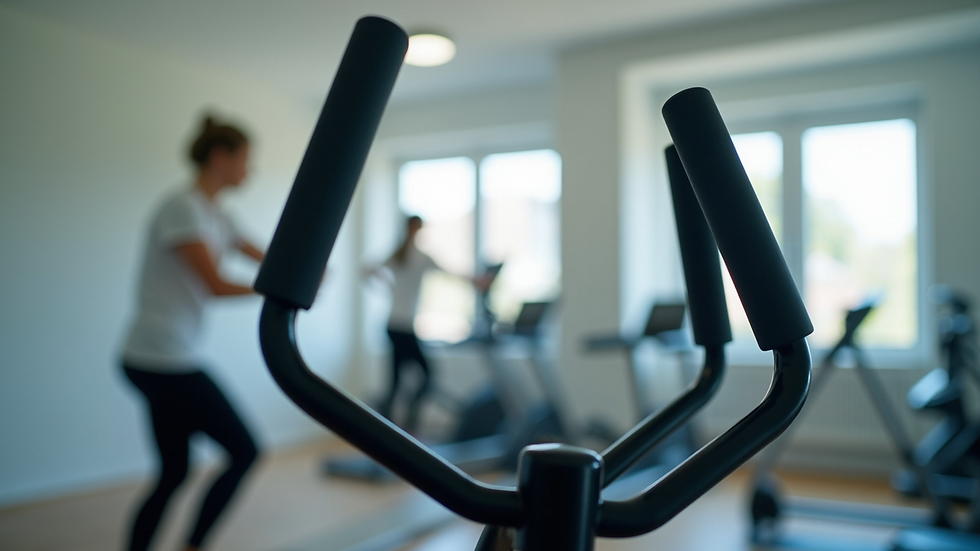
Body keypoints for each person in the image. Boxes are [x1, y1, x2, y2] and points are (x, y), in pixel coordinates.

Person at [119, 115, 263, 551]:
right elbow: (215, 285)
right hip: (160, 359)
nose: (249, 172)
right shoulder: (182, 207)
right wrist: (282, 291)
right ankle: (194, 545)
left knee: (174, 472)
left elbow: (268, 257)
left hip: (159, 357)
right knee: (245, 451)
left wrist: (303, 268)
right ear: (221, 158)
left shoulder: (219, 215)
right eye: (245, 161)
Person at [366, 215, 491, 434]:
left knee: (398, 381)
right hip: (401, 327)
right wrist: (477, 281)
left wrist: (385, 285)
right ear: (413, 229)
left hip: (396, 326)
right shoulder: (408, 256)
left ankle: (394, 422)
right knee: (425, 375)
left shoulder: (401, 256)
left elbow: (368, 270)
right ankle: (405, 422)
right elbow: (368, 269)